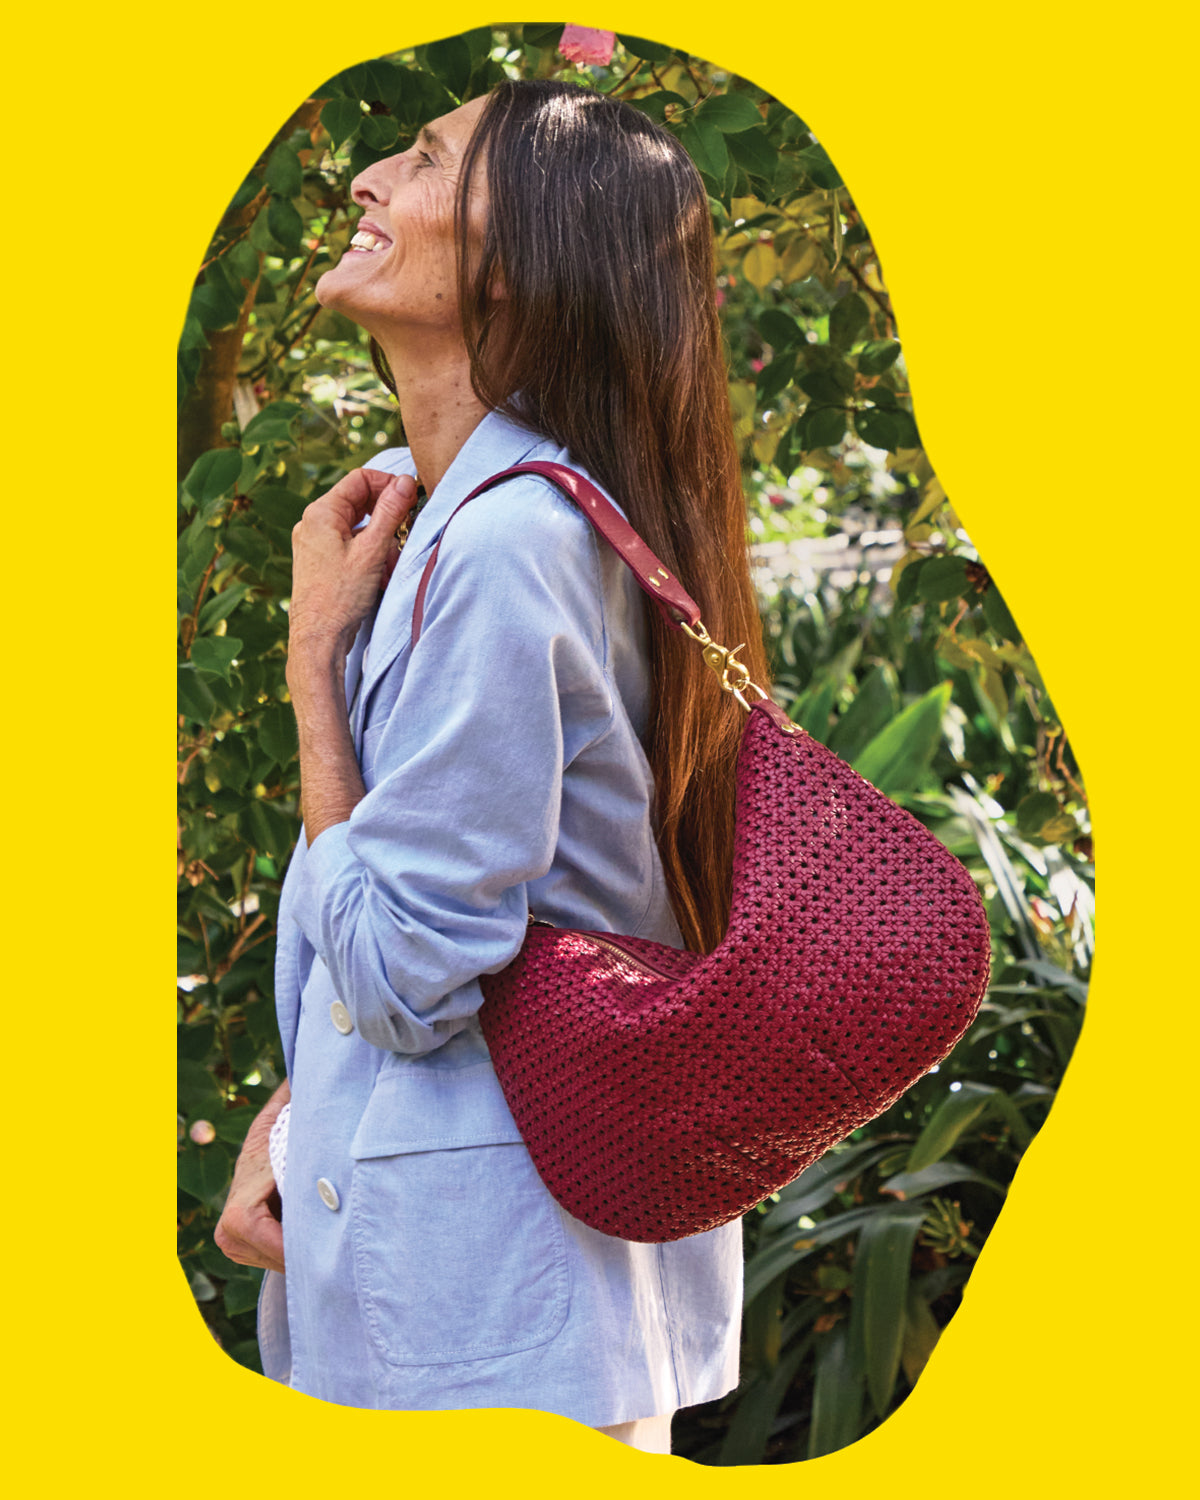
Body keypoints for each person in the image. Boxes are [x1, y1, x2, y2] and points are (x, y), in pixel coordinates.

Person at [214, 77, 772, 1455]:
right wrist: (298, 1125)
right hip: (477, 1294)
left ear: (517, 261)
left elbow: (408, 971)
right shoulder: (480, 522)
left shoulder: (513, 547)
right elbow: (475, 924)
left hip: (491, 1332)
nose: (365, 179)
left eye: (421, 159)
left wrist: (312, 670)